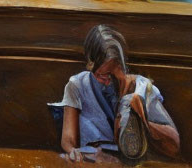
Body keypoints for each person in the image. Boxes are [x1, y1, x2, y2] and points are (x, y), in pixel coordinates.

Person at [59, 25, 180, 163]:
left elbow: (174, 146)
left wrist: (143, 119)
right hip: (93, 163)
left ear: (122, 65)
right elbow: (68, 139)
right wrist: (72, 151)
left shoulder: (141, 88)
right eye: (101, 76)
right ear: (90, 67)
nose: (107, 82)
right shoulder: (77, 85)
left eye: (112, 75)